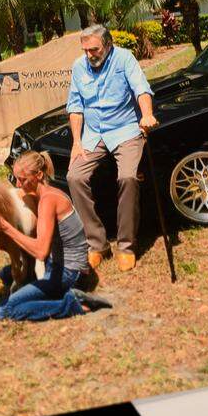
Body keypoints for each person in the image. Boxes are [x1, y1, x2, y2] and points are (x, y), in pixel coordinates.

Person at [65, 24, 157, 273]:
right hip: (93, 135)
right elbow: (75, 106)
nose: (89, 55)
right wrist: (76, 142)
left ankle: (126, 246)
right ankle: (97, 244)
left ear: (108, 44)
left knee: (128, 177)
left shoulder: (124, 58)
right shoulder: (78, 66)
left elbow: (141, 89)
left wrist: (146, 114)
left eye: (94, 49)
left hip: (125, 130)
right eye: (85, 50)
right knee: (74, 177)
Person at [0, 151, 110, 321]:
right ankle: (59, 294)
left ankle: (71, 304)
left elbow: (40, 252)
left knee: (6, 309)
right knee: (5, 274)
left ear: (39, 175)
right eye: (15, 178)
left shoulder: (48, 201)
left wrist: (6, 228)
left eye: (22, 179)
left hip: (68, 272)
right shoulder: (49, 193)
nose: (18, 184)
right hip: (63, 265)